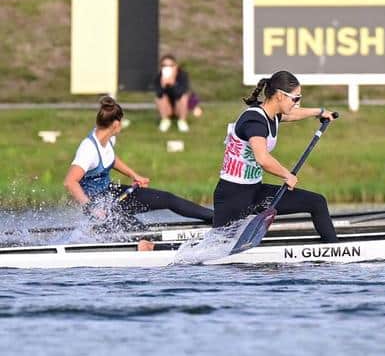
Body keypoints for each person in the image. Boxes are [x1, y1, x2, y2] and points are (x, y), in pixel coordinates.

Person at [213, 70, 338, 243]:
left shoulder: (272, 115)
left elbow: (292, 114)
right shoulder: (254, 122)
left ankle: (334, 250)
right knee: (219, 249)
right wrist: (287, 175)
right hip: (232, 197)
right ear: (280, 95)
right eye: (295, 98)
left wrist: (319, 112)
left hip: (255, 193)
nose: (297, 103)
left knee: (316, 202)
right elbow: (262, 159)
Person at [64, 96, 213, 231]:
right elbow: (70, 182)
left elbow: (111, 159)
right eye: (122, 121)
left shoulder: (108, 137)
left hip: (111, 194)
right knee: (142, 235)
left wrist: (134, 175)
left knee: (167, 199)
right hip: (97, 204)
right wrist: (92, 208)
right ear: (116, 124)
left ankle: (217, 217)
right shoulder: (88, 149)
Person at [154, 54, 200, 133]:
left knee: (183, 97)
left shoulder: (182, 75)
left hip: (179, 107)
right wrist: (163, 85)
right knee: (159, 97)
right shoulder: (159, 77)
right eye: (164, 65)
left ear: (176, 66)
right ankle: (165, 120)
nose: (167, 68)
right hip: (167, 108)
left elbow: (181, 93)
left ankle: (182, 121)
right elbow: (158, 94)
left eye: (171, 65)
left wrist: (172, 84)